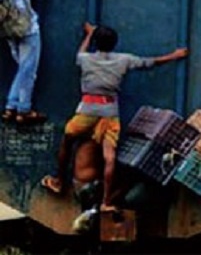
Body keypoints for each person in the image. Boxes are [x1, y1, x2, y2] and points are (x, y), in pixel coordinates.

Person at [41, 22, 188, 212]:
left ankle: (59, 180)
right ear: (115, 43)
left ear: (96, 42)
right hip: (110, 112)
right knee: (109, 157)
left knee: (67, 142)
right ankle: (106, 202)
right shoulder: (124, 60)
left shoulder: (85, 59)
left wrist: (89, 34)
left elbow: (81, 52)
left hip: (87, 111)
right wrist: (174, 56)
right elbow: (150, 62)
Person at [1, 0, 44, 125]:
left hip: (6, 27)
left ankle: (12, 107)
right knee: (27, 68)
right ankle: (22, 109)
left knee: (23, 67)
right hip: (26, 27)